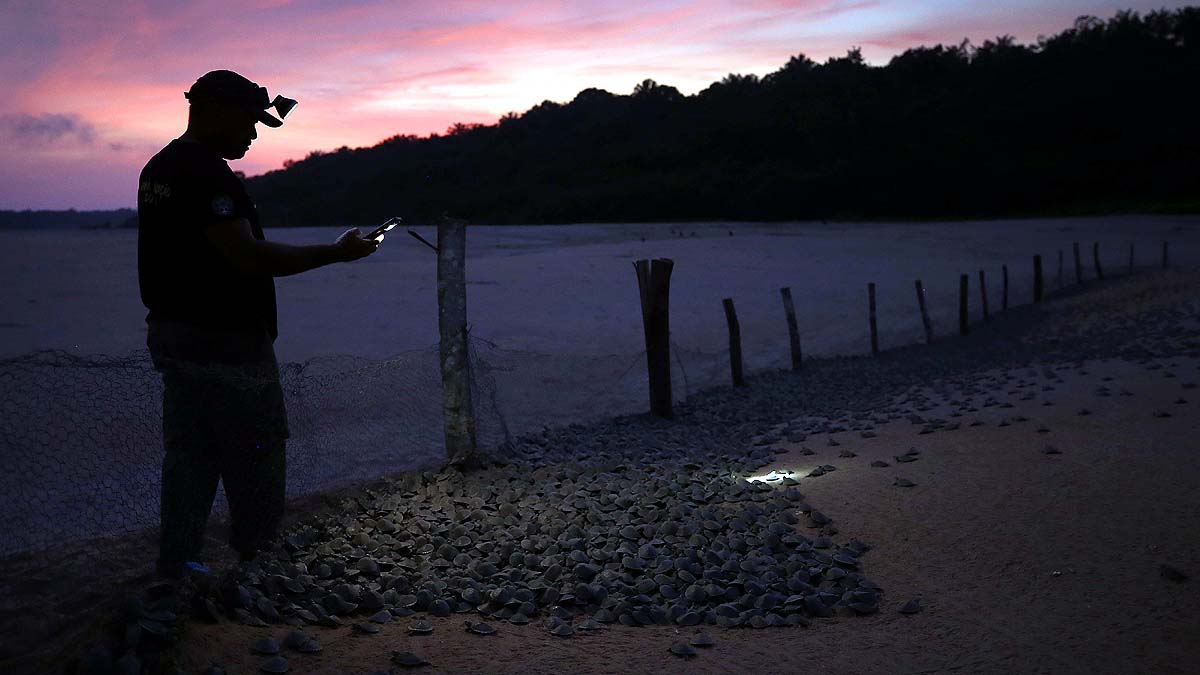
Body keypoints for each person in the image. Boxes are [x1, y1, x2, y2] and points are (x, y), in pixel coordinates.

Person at [137, 69, 378, 579]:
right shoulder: (208, 176)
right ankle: (258, 562)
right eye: (248, 122)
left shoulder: (158, 168)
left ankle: (178, 563)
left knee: (191, 452)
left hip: (173, 334)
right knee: (257, 447)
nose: (252, 135)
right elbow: (245, 256)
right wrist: (336, 254)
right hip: (225, 340)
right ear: (216, 110)